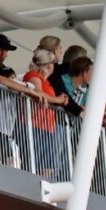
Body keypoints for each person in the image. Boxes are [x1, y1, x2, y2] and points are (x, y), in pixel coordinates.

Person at [22, 47, 67, 177]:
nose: (55, 66)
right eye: (53, 63)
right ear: (47, 65)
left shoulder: (46, 81)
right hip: (34, 124)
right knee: (35, 162)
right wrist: (58, 100)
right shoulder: (32, 75)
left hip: (46, 126)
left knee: (46, 165)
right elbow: (38, 92)